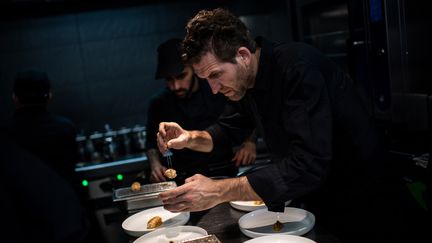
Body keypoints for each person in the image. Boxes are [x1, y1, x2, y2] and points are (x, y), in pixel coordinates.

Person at [156, 8, 430, 243]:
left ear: (243, 55)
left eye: (216, 75)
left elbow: (307, 165)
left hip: (371, 207)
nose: (213, 89)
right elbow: (224, 132)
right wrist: (189, 137)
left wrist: (219, 190)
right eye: (206, 80)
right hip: (322, 206)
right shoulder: (245, 85)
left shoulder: (297, 68)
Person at [146, 38, 257, 184]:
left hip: (223, 170)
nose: (176, 86)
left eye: (181, 76)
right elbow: (151, 144)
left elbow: (246, 117)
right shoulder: (159, 103)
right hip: (184, 176)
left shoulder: (217, 89)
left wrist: (250, 142)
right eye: (169, 80)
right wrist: (155, 164)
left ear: (193, 68)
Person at [4, 70, 79, 190]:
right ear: (49, 96)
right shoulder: (66, 128)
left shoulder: (5, 134)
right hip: (63, 201)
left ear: (15, 97)